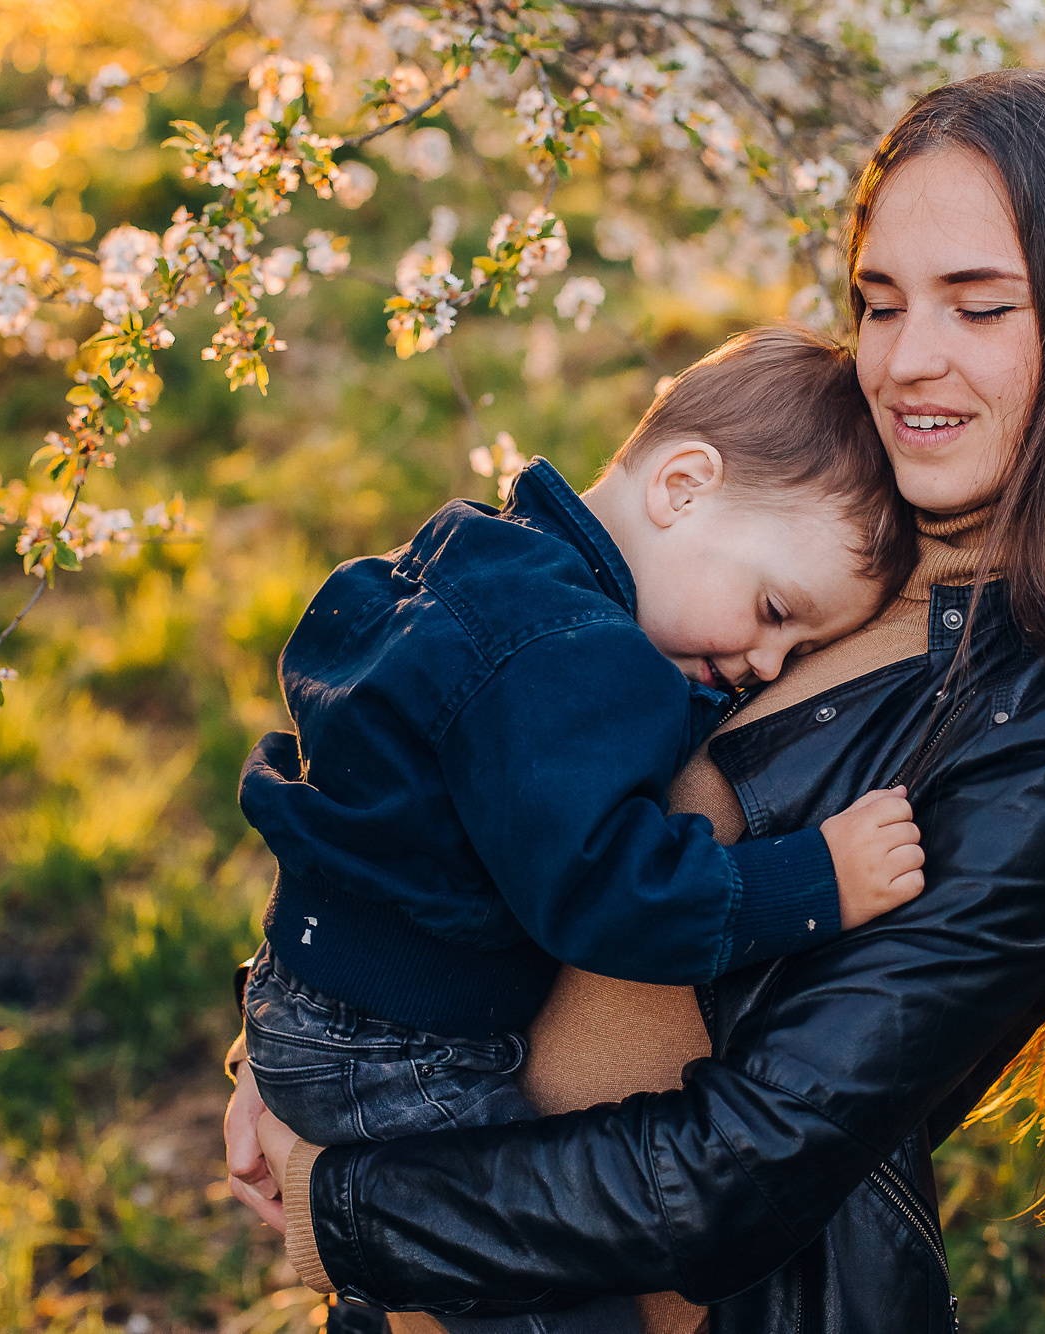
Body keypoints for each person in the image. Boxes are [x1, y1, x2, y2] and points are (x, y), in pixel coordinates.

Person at [225, 68, 1045, 1334]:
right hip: (435, 1237)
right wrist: (295, 1033)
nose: (905, 358)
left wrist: (342, 1202)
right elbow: (450, 765)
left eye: (978, 304)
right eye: (878, 301)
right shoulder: (806, 511)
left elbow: (743, 1166)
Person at [234, 327, 927, 1332]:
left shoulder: (482, 560)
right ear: (681, 485)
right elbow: (611, 894)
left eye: (801, 645)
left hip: (316, 998)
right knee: (535, 1279)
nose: (769, 662)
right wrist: (814, 881)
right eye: (774, 608)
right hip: (392, 1045)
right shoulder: (572, 658)